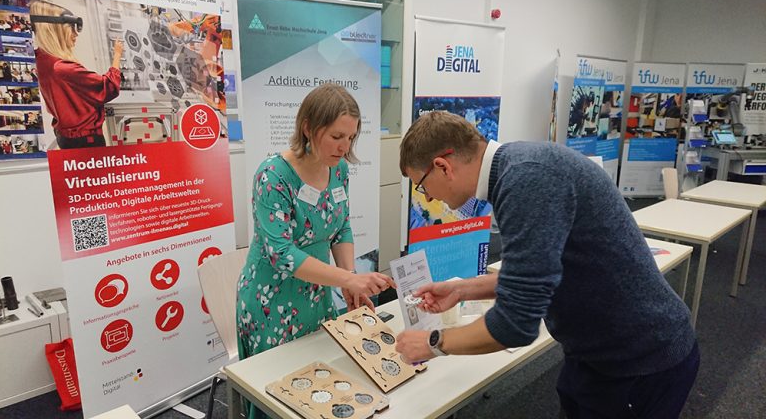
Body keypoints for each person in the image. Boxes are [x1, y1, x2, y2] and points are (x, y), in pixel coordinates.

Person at [395, 111, 698, 419]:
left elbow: (515, 326)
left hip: (638, 361)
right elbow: (538, 275)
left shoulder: (526, 180)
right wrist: (462, 289)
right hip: (598, 353)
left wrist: (434, 343)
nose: (428, 197)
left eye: (421, 186)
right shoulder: (519, 167)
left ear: (442, 166)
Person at [236, 84, 395, 419]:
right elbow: (281, 253)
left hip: (315, 294)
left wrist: (348, 279)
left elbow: (342, 227)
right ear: (308, 127)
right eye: (337, 136)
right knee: (276, 394)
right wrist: (348, 281)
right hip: (271, 301)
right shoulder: (273, 176)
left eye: (351, 137)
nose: (344, 146)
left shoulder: (338, 169)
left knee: (316, 388)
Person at [30, 0, 123, 149]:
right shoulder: (62, 68)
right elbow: (109, 87)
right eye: (71, 30)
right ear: (56, 32)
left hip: (65, 138)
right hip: (84, 142)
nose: (75, 35)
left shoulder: (40, 59)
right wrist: (117, 55)